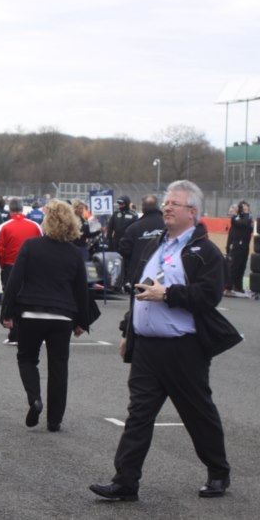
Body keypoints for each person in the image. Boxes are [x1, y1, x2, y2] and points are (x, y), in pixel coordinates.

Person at [90, 180, 240, 502]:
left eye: (174, 203)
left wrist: (169, 294)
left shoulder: (205, 251)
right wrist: (128, 332)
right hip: (147, 347)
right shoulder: (155, 245)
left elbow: (208, 296)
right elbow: (140, 291)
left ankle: (218, 471)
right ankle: (125, 482)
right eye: (166, 202)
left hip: (183, 348)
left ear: (192, 212)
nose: (166, 207)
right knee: (138, 415)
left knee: (197, 413)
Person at [0, 200, 90, 432]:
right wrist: (82, 321)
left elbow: (14, 281)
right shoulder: (74, 253)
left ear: (47, 221)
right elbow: (81, 290)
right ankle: (55, 419)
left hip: (31, 312)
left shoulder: (31, 246)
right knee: (59, 366)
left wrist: (7, 313)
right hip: (63, 315)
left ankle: (35, 398)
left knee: (27, 359)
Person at [0, 197, 43, 345]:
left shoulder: (4, 226)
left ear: (10, 209)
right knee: (31, 299)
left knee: (12, 299)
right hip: (31, 268)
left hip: (11, 266)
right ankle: (31, 333)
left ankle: (14, 334)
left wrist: (3, 266)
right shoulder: (35, 226)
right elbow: (41, 246)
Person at [118, 195, 164, 284]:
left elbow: (124, 250)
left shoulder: (133, 228)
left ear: (142, 208)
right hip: (164, 276)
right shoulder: (169, 226)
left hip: (139, 276)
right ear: (158, 206)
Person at [225, 200, 253, 295]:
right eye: (244, 206)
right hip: (237, 245)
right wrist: (229, 245)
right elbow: (237, 227)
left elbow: (248, 228)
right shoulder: (238, 218)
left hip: (245, 245)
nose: (246, 207)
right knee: (234, 266)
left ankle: (238, 286)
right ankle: (229, 287)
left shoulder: (248, 217)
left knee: (242, 266)